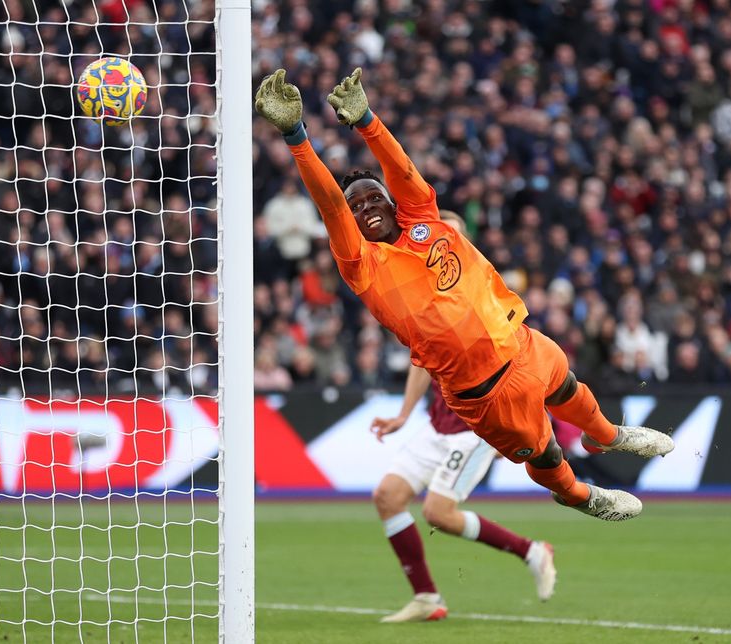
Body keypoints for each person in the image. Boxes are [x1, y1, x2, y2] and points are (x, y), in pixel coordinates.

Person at [254, 68, 674, 522]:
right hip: (486, 393)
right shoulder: (362, 264)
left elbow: (402, 170)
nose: (363, 209)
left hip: (521, 342)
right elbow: (330, 204)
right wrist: (296, 136)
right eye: (355, 208)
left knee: (567, 385)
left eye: (373, 198)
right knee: (547, 454)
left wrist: (368, 121)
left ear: (392, 202)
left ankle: (609, 435)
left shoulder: (425, 217)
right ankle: (581, 496)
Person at [370, 211, 556, 623]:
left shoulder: (480, 295)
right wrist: (403, 414)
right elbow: (421, 361)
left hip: (477, 428)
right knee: (387, 497)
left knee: (438, 513)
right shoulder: (420, 299)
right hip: (438, 424)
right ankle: (426, 598)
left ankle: (532, 551)